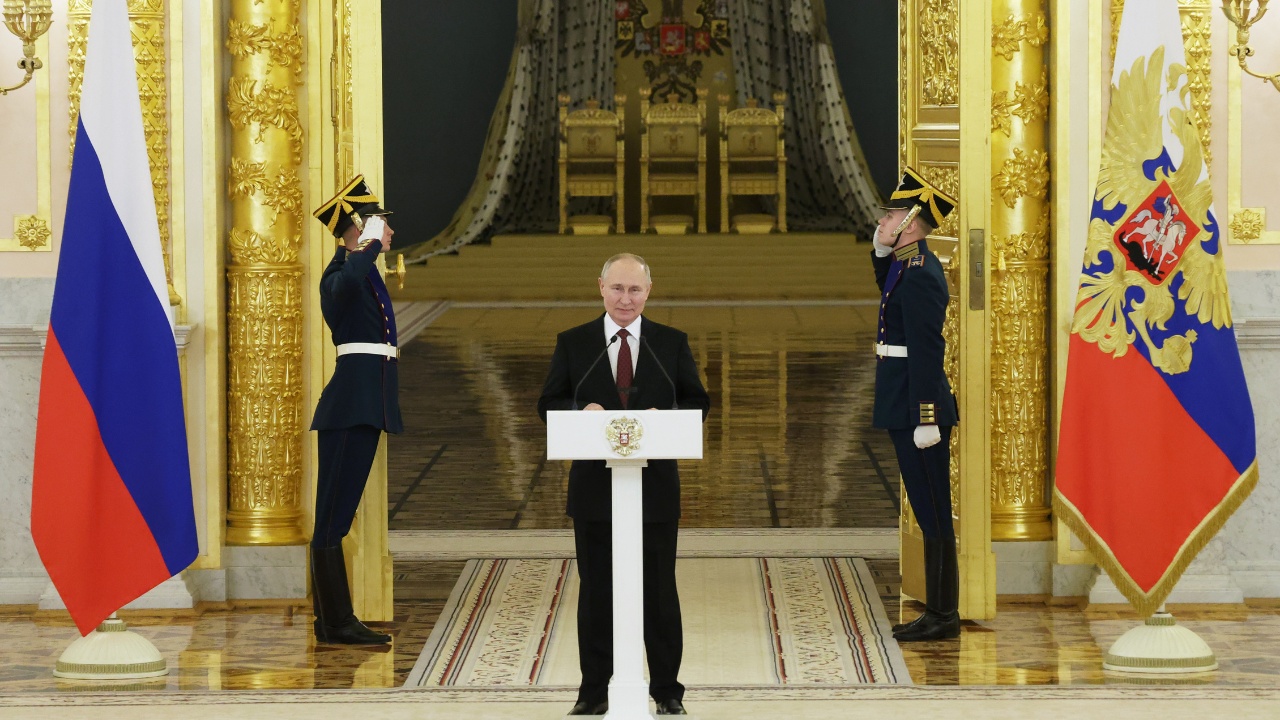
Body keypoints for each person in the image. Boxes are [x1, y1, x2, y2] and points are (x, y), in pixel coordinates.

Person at [537, 253, 710, 716]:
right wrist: (580, 412)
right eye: (617, 288)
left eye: (635, 290)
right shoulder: (574, 342)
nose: (626, 298)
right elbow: (548, 402)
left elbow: (697, 401)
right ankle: (593, 691)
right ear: (601, 287)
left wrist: (664, 417)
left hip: (655, 490)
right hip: (594, 489)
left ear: (649, 292)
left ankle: (667, 690)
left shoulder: (670, 342)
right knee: (596, 591)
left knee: (659, 591)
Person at [308, 175, 403, 644]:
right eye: (380, 223)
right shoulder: (339, 276)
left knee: (336, 519)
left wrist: (368, 248)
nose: (390, 231)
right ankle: (336, 622)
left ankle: (333, 621)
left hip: (366, 405)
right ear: (359, 229)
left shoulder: (364, 273)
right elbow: (344, 282)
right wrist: (367, 246)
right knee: (332, 521)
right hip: (349, 408)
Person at [869, 167, 961, 642]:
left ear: (911, 222)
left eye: (892, 216)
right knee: (926, 510)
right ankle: (939, 609)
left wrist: (927, 416)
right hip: (902, 398)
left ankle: (944, 613)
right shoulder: (907, 263)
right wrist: (880, 251)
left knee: (933, 512)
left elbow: (928, 350)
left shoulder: (922, 272)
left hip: (917, 407)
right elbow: (888, 293)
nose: (883, 220)